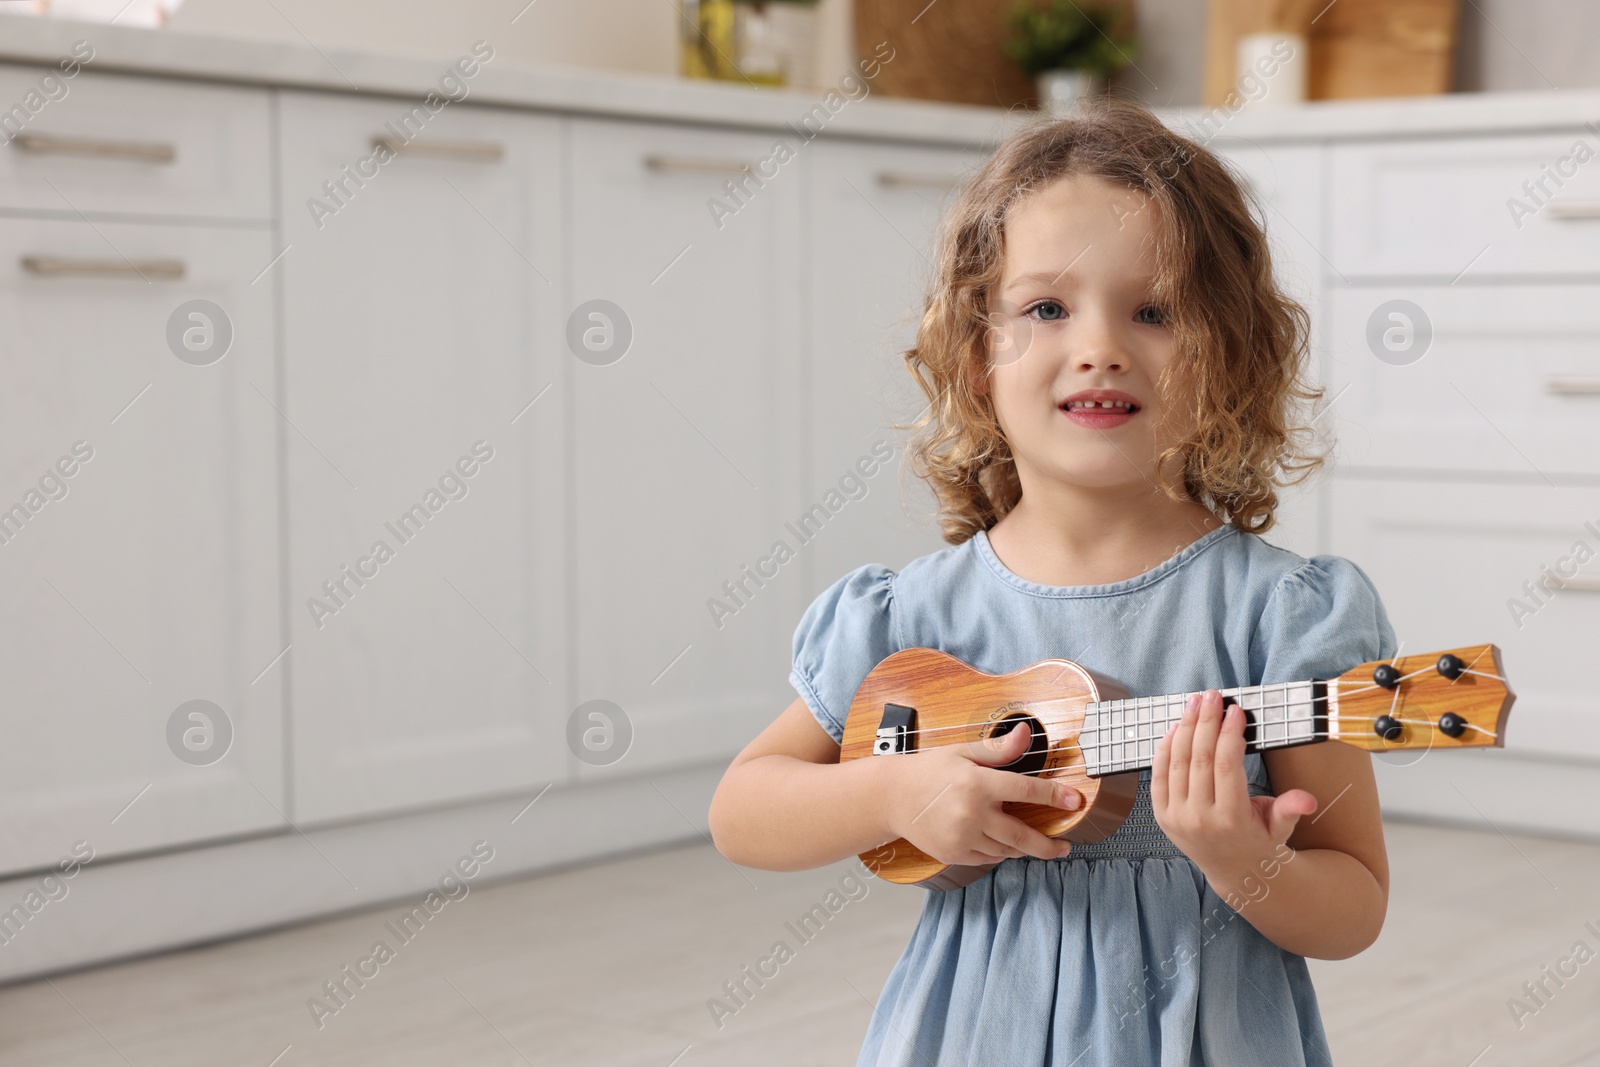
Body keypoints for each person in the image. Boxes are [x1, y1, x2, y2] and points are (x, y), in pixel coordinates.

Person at [707, 96, 1395, 1066]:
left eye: (1152, 309)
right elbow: (743, 809)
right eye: (1044, 308)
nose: (1099, 343)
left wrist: (1246, 858)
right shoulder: (915, 615)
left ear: (1226, 355)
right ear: (977, 357)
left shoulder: (1280, 614)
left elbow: (1354, 902)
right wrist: (893, 792)